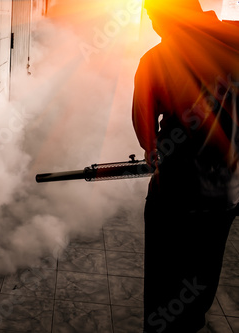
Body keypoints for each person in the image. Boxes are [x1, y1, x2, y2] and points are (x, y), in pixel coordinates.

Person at [132, 0, 239, 332]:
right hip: (226, 196)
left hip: (175, 195)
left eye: (152, 16)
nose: (152, 24)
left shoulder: (156, 60)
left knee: (165, 291)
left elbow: (146, 138)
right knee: (198, 286)